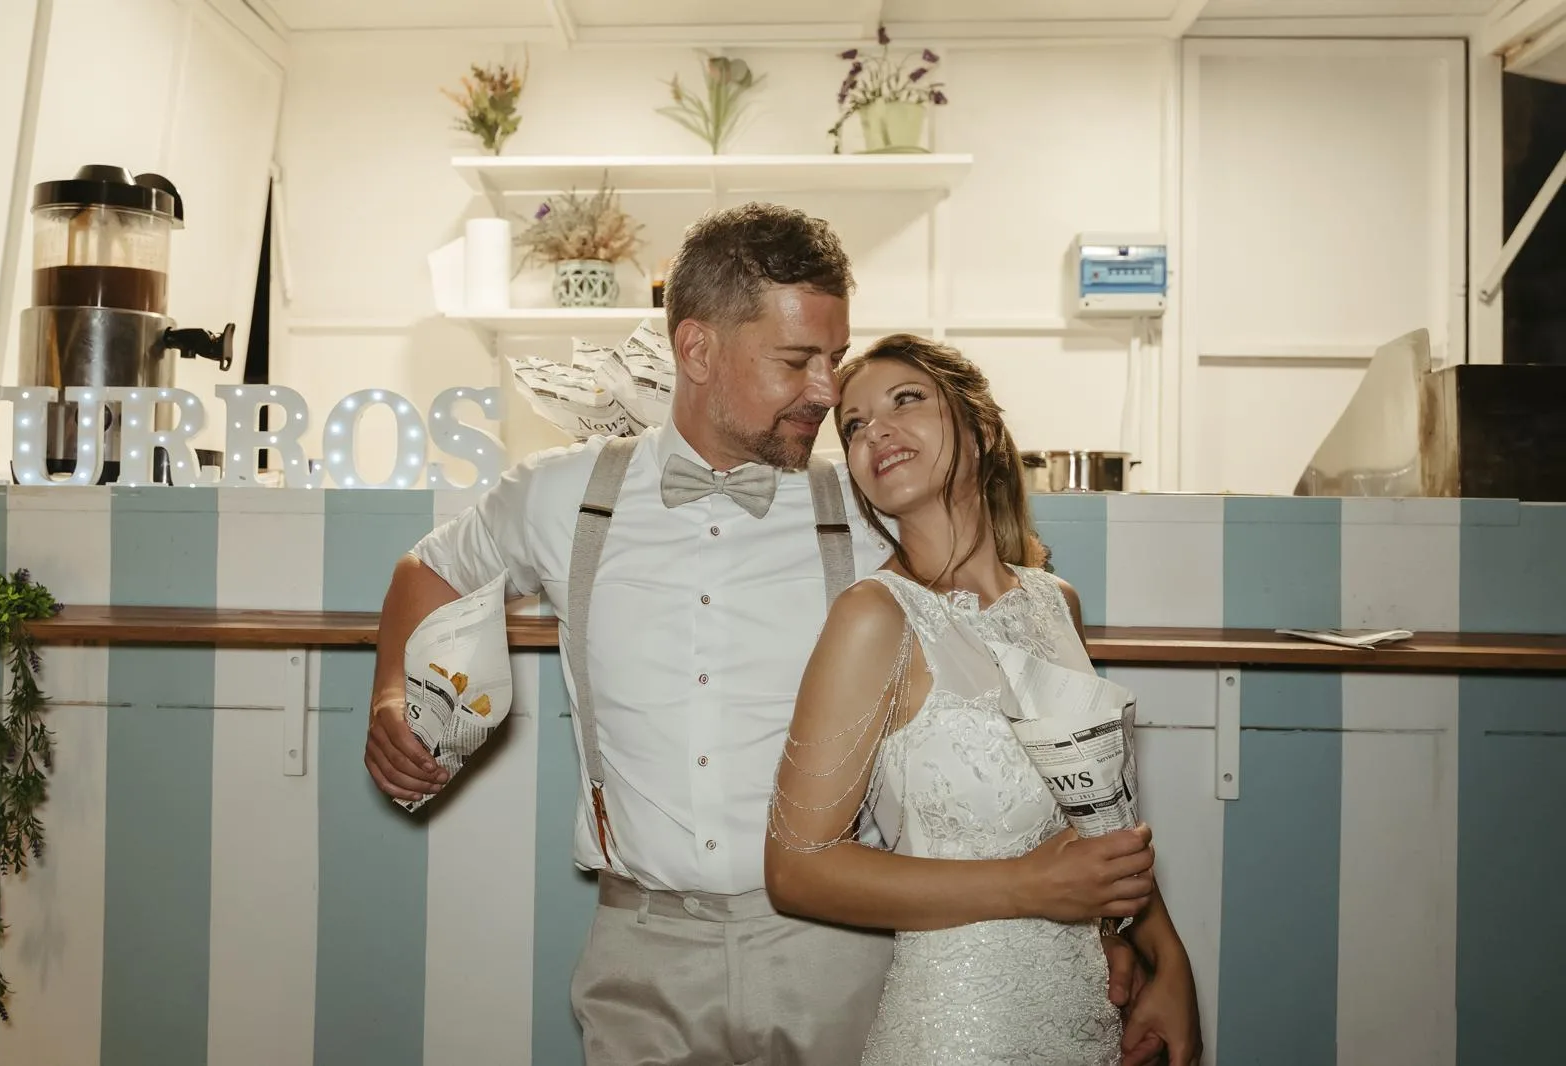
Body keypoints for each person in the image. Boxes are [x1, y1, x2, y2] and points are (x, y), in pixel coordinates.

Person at [363, 203, 1163, 1065]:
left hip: (833, 946)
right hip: (639, 946)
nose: (826, 390)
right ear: (698, 350)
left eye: (833, 359)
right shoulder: (563, 496)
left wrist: (1119, 934)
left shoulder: (868, 505)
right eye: (796, 361)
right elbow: (431, 568)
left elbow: (1016, 675)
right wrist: (391, 694)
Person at [765, 334, 1203, 1066]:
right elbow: (796, 869)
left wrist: (1167, 962)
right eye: (855, 425)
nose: (876, 431)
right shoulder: (874, 617)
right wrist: (1031, 886)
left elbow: (1099, 827)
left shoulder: (1054, 602)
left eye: (906, 401)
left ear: (984, 430)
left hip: (1086, 1015)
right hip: (960, 1026)